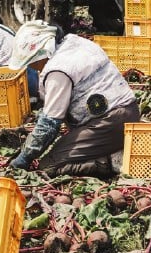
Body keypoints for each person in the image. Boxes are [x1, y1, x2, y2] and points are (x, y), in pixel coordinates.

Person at [7, 19, 141, 178]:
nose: (31, 66)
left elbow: (49, 124)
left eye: (31, 62)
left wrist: (24, 157)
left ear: (40, 55)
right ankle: (111, 151)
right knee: (63, 148)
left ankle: (110, 162)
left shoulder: (58, 71)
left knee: (47, 167)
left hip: (110, 122)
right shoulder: (74, 42)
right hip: (130, 112)